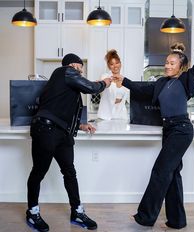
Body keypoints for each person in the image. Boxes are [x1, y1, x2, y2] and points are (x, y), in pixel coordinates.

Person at [112, 16, 194, 229]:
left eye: (172, 63)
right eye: (166, 62)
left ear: (181, 67)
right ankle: (177, 220)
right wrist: (123, 80)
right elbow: (141, 90)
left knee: (160, 171)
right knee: (172, 175)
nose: (167, 65)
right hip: (168, 130)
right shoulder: (161, 83)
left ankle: (146, 216)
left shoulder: (186, 80)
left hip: (182, 130)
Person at [26, 53, 112, 232]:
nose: (81, 70)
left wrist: (81, 125)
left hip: (61, 133)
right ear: (74, 65)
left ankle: (77, 212)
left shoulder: (67, 87)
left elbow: (62, 111)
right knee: (39, 172)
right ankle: (32, 212)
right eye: (80, 66)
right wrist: (104, 83)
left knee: (69, 172)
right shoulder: (64, 72)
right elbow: (90, 87)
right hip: (46, 130)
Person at [97, 49, 129, 120]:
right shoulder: (105, 77)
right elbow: (102, 86)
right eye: (112, 64)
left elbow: (128, 99)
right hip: (106, 115)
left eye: (117, 63)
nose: (115, 66)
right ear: (109, 66)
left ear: (120, 63)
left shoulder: (125, 80)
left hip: (121, 116)